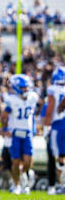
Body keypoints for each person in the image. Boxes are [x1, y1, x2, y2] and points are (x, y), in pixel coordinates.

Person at [0, 74, 39, 195]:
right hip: (15, 133)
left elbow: (32, 114)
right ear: (17, 88)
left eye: (26, 87)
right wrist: (4, 129)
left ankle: (23, 175)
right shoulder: (11, 100)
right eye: (22, 88)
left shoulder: (33, 97)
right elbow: (3, 116)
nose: (25, 90)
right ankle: (16, 185)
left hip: (27, 133)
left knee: (28, 161)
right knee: (15, 161)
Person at [43, 66, 65, 195]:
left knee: (56, 157)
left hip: (58, 125)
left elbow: (50, 109)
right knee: (62, 156)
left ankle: (60, 184)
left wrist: (46, 127)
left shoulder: (53, 89)